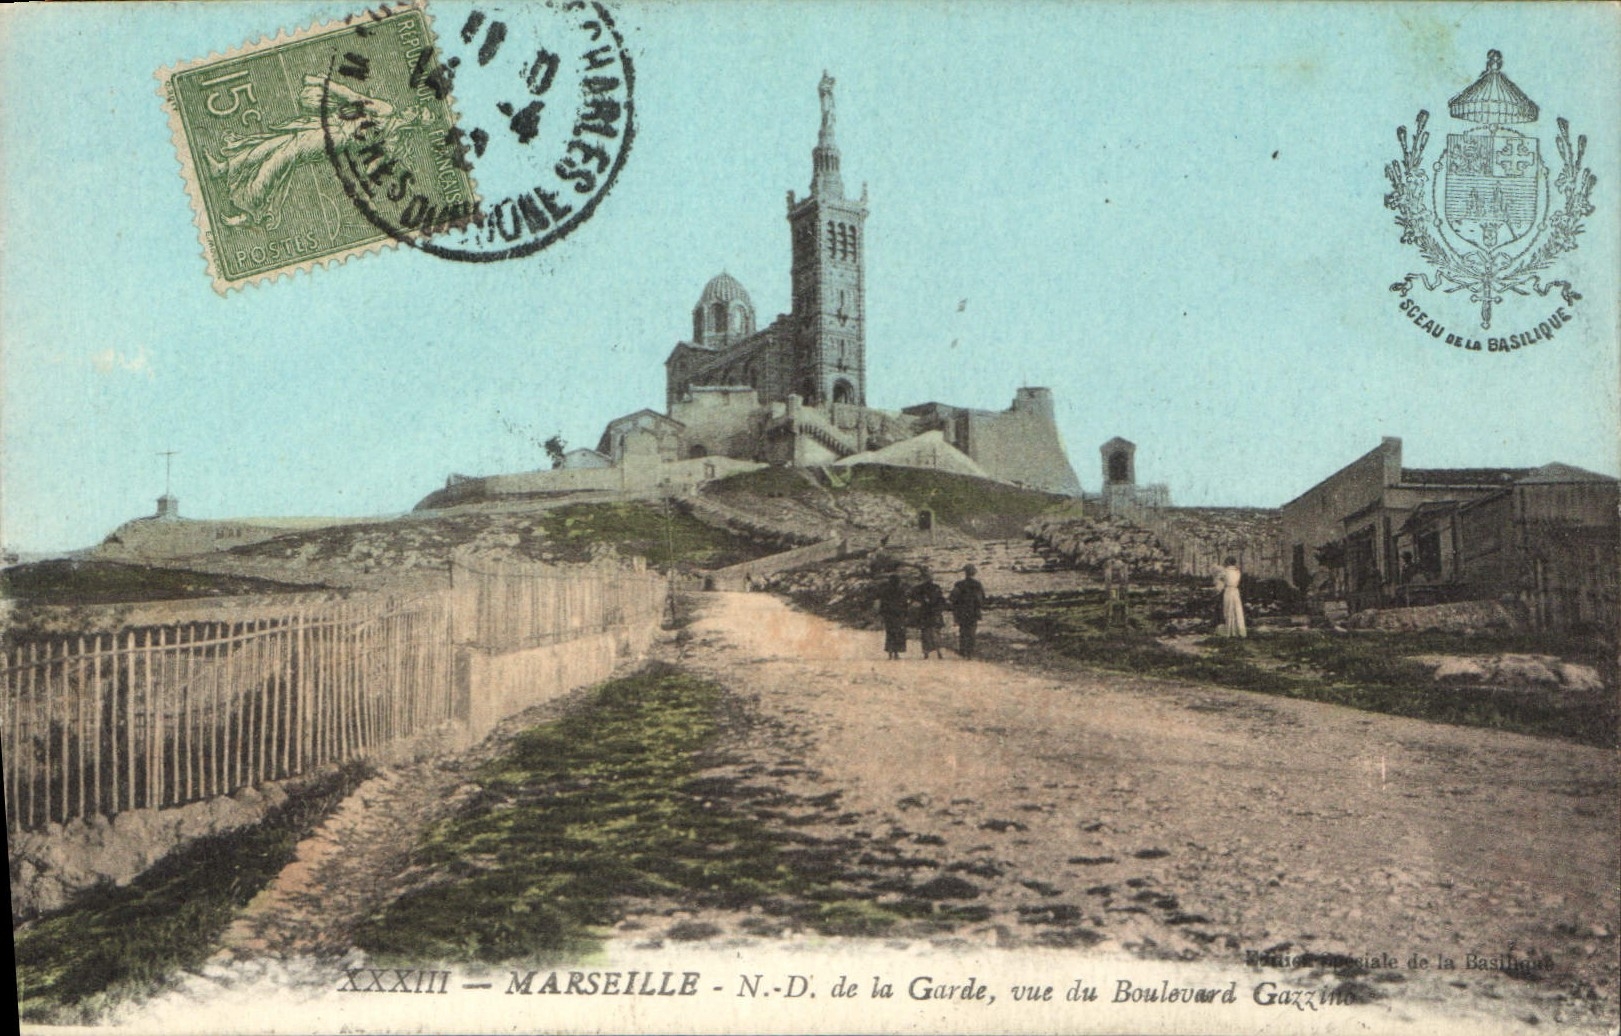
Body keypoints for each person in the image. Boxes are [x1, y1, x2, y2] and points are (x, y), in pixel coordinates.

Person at [948, 563, 986, 659]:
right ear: (973, 573)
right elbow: (981, 599)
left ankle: (963, 651)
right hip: (973, 612)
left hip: (962, 612)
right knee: (972, 632)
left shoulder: (959, 584)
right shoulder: (977, 584)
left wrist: (955, 608)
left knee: (963, 631)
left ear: (965, 573)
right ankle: (970, 652)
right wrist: (979, 607)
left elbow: (952, 598)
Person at [912, 569, 948, 659]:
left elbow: (914, 599)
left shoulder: (919, 588)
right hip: (935, 612)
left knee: (925, 632)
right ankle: (939, 652)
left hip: (924, 612)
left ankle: (926, 652)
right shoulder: (936, 587)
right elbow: (941, 599)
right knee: (936, 631)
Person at [877, 573, 910, 660]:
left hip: (889, 615)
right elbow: (905, 604)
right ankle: (896, 653)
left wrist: (882, 615)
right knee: (898, 633)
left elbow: (883, 604)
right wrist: (906, 614)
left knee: (890, 633)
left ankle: (890, 653)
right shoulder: (901, 591)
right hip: (899, 615)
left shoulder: (885, 591)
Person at [1214, 555, 1247, 637]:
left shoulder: (1224, 571)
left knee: (1228, 610)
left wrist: (1218, 588)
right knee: (1237, 610)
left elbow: (1218, 582)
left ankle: (1229, 631)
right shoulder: (1237, 571)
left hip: (1228, 591)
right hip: (1235, 591)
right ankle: (1239, 630)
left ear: (1228, 563)